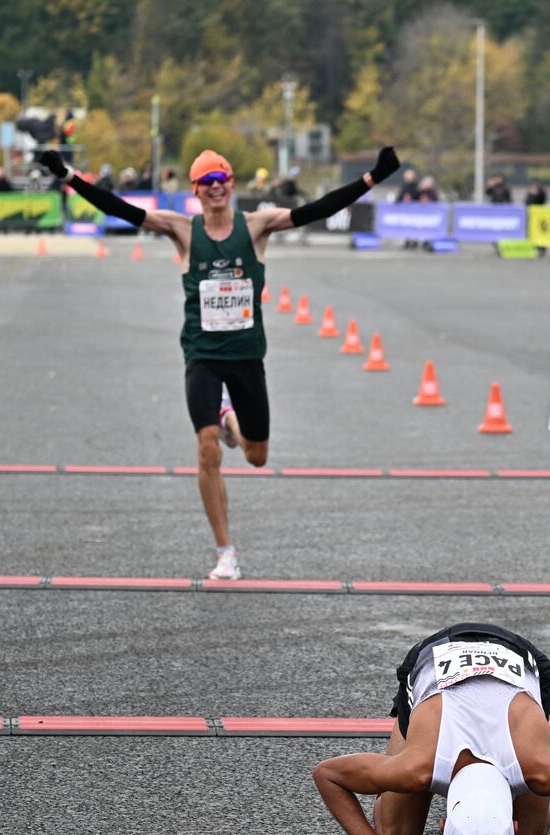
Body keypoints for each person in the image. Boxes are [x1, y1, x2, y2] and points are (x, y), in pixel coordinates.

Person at [37, 145, 402, 580]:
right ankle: (225, 551)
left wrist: (372, 178)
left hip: (247, 357)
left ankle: (232, 422)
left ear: (231, 185)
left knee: (257, 456)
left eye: (221, 180)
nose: (215, 188)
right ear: (196, 190)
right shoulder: (183, 231)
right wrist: (69, 176)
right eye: (206, 182)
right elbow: (119, 207)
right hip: (203, 356)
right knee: (206, 448)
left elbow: (317, 209)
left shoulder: (257, 227)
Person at [313, 622, 550, 835]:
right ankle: (411, 728)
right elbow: (327, 775)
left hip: (517, 674)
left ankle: (522, 737)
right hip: (437, 665)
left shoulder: (537, 769)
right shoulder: (418, 766)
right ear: (444, 824)